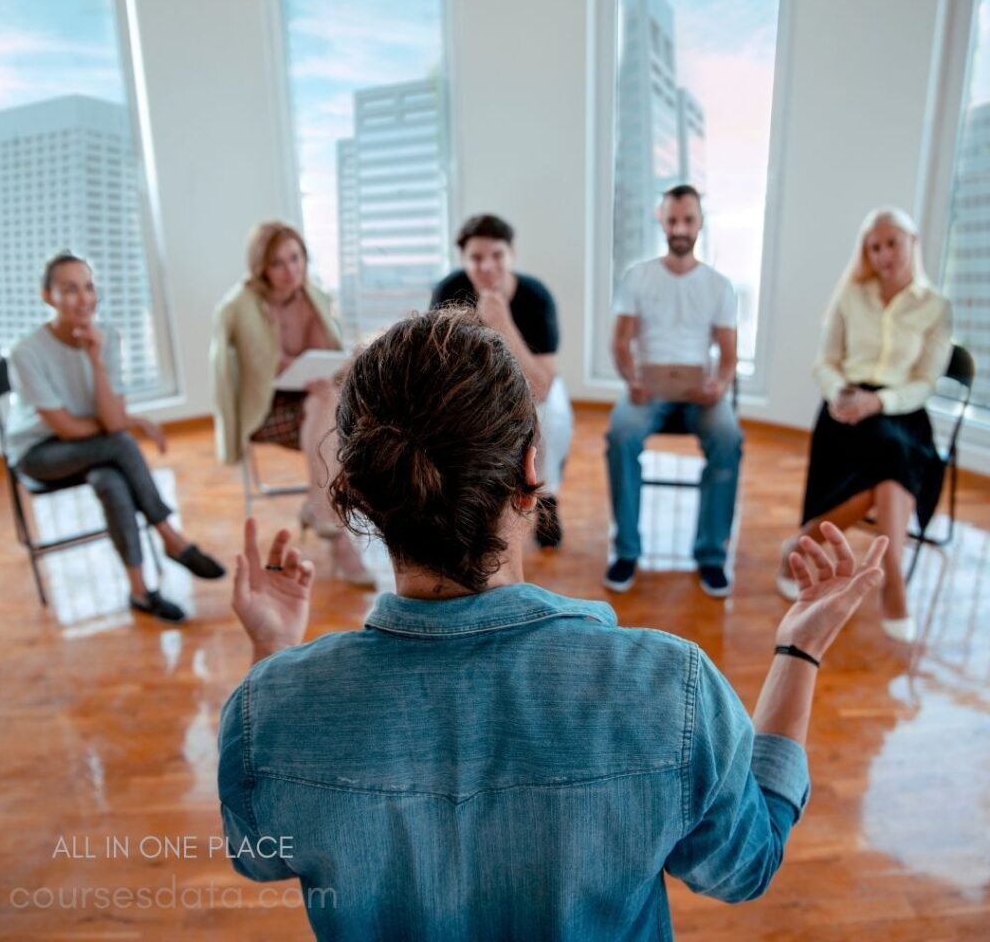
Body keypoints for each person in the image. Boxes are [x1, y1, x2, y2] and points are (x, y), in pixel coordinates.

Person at [218, 306, 888, 940]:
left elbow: (258, 850)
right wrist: (799, 649)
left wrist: (275, 654)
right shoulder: (670, 690)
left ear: (357, 496)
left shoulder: (268, 709)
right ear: (531, 470)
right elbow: (745, 865)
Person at [4, 252, 225, 622]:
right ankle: (171, 537)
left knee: (110, 479)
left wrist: (95, 359)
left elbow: (109, 419)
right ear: (47, 296)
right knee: (120, 444)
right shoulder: (26, 351)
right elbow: (65, 427)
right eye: (69, 289)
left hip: (93, 450)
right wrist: (129, 423)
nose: (84, 297)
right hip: (38, 453)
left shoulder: (106, 338)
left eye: (88, 287)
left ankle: (140, 591)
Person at [777, 207, 953, 644]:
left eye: (892, 242)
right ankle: (892, 582)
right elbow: (826, 363)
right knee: (890, 461)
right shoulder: (850, 296)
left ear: (912, 242)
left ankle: (806, 544)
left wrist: (880, 401)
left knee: (894, 451)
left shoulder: (936, 306)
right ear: (866, 254)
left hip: (902, 410)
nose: (884, 253)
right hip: (846, 407)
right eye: (875, 247)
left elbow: (925, 383)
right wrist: (840, 393)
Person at [209, 221, 373, 587]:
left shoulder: (311, 296)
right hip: (264, 408)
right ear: (261, 267)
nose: (290, 270)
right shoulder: (239, 306)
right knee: (332, 421)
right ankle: (329, 522)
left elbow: (326, 354)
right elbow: (248, 368)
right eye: (278, 263)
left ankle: (319, 509)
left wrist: (318, 371)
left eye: (296, 258)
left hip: (311, 402)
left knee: (325, 405)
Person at [604, 184, 742, 597]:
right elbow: (620, 342)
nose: (680, 228)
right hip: (649, 391)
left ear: (700, 223)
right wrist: (632, 381)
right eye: (673, 220)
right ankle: (627, 550)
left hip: (700, 392)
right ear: (661, 221)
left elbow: (729, 354)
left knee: (729, 438)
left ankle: (711, 555)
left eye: (688, 220)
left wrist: (719, 384)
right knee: (620, 435)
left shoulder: (719, 285)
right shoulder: (638, 277)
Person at [431, 213, 573, 548]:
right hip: (474, 385)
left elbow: (542, 386)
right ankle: (462, 506)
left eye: (497, 256)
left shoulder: (535, 297)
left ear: (512, 255)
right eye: (476, 258)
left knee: (552, 417)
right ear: (463, 260)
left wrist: (502, 324)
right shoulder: (450, 291)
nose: (487, 267)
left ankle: (547, 496)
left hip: (529, 383)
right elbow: (439, 365)